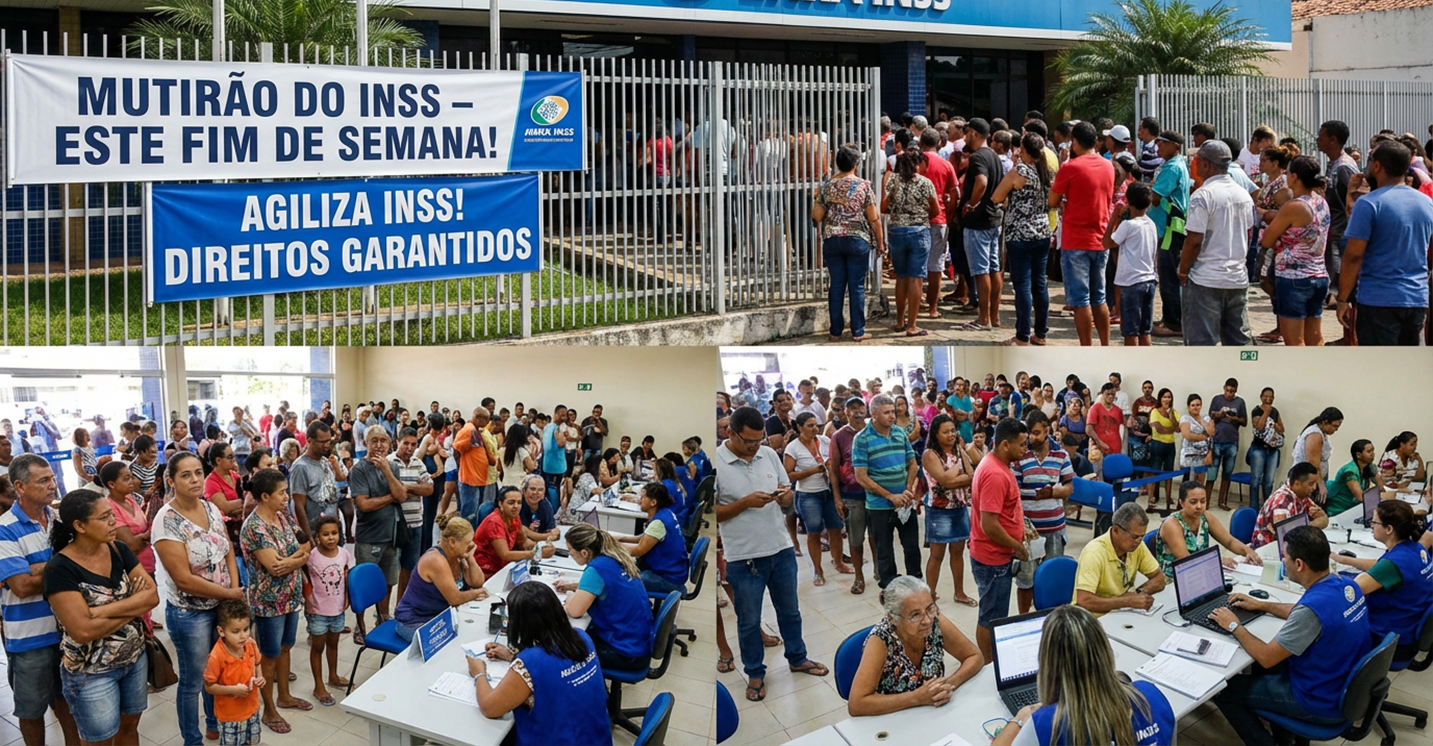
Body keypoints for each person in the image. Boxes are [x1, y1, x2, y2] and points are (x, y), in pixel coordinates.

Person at [1211, 526, 1371, 744]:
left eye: (1284, 557)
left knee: (1223, 689)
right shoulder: (1346, 585)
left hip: (1316, 699)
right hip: (1343, 686)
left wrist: (1233, 625)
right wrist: (1263, 605)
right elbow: (1304, 609)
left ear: (1299, 564)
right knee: (1259, 668)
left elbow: (1267, 657)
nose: (1282, 561)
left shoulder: (1311, 610)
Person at [716, 406, 828, 702]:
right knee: (749, 620)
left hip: (780, 549)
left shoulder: (767, 455)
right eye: (748, 441)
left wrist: (786, 496)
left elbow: (786, 490)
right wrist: (745, 503)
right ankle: (754, 672)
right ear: (730, 433)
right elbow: (711, 514)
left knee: (790, 612)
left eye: (759, 440)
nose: (755, 447)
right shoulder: (716, 462)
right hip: (744, 557)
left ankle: (797, 657)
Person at [42, 487, 157, 746]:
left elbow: (152, 597)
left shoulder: (118, 549)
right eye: (104, 517)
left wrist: (98, 612)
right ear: (79, 526)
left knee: (129, 728)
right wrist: (132, 607)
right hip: (90, 672)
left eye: (111, 515)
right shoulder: (60, 569)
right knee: (100, 741)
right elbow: (82, 631)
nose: (113, 521)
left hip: (134, 658)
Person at [154, 452, 246, 746]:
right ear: (171, 480)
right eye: (185, 475)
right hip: (189, 614)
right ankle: (191, 740)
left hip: (220, 606)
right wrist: (229, 593)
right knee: (193, 681)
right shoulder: (166, 521)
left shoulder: (209, 507)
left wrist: (233, 592)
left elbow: (228, 550)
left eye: (198, 473)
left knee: (216, 672)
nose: (195, 480)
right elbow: (184, 580)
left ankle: (214, 723)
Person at [991, 604, 1175, 746]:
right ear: (1104, 650)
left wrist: (1019, 720)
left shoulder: (1046, 723)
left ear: (1047, 663)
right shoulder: (1150, 695)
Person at [0, 454, 83, 745]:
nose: (53, 484)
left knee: (69, 704)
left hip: (69, 630)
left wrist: (40, 568)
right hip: (29, 637)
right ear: (20, 486)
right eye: (44, 480)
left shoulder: (60, 520)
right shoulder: (4, 527)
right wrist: (62, 565)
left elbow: (84, 567)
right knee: (31, 709)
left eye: (52, 477)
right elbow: (21, 585)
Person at [467, 582, 613, 746]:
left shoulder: (530, 662)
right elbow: (555, 666)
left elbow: (489, 708)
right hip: (596, 738)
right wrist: (512, 656)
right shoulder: (581, 637)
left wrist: (479, 672)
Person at [238, 466, 312, 733]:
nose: (286, 497)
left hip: (290, 595)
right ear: (265, 496)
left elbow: (306, 546)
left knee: (286, 647)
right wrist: (299, 559)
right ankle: (268, 710)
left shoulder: (284, 517)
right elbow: (273, 567)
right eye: (282, 493)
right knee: (268, 656)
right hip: (269, 602)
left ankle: (285, 696)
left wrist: (295, 559)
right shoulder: (254, 527)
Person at [846, 575, 983, 716]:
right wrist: (917, 698)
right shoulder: (881, 640)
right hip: (894, 717)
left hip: (932, 713)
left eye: (930, 608)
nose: (927, 620)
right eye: (915, 615)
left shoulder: (935, 621)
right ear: (893, 618)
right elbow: (857, 705)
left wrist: (947, 685)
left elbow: (974, 656)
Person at [1339, 140, 1433, 345]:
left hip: (1378, 300)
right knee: (1405, 368)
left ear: (1378, 166)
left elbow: (1354, 255)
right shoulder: (1426, 202)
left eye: (1370, 159)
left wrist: (1342, 299)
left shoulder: (1369, 203)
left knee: (1378, 370)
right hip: (1416, 298)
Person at [1329, 500, 1433, 658]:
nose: (1371, 525)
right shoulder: (1415, 549)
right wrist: (1344, 560)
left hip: (1389, 640)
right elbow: (1380, 566)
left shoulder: (1395, 563)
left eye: (1374, 522)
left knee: (1331, 622)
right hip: (1407, 626)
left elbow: (1351, 592)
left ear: (1389, 529)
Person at [1178, 140, 1255, 346]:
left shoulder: (1203, 196)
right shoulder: (1243, 194)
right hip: (1236, 278)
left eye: (1196, 161)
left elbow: (1194, 240)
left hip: (1206, 279)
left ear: (1205, 165)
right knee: (1238, 344)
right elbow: (1248, 233)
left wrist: (1183, 270)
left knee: (1202, 345)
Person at [968, 417, 1032, 661]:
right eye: (1022, 444)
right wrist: (1016, 545)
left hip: (996, 554)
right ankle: (988, 664)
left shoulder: (998, 465)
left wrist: (1020, 528)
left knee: (995, 614)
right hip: (993, 559)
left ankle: (993, 658)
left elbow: (1002, 513)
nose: (1025, 449)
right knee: (991, 617)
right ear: (1005, 444)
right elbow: (989, 524)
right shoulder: (995, 473)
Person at [1049, 121, 1116, 346]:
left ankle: (1086, 346)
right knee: (1099, 297)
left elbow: (1052, 200)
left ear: (1075, 142)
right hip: (1101, 237)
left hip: (1076, 239)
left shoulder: (1070, 167)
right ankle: (1105, 345)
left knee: (1080, 300)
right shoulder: (1108, 165)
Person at [555, 523, 652, 673]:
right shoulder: (613, 558)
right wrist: (571, 586)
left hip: (625, 651)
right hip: (638, 639)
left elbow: (575, 611)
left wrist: (568, 597)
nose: (570, 555)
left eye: (570, 550)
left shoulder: (595, 569)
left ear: (584, 552)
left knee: (561, 651)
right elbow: (603, 585)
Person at [348, 426, 412, 645]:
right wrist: (390, 497)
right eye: (374, 441)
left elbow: (402, 495)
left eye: (383, 441)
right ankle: (360, 624)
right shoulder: (359, 470)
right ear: (365, 443)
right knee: (365, 584)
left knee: (388, 582)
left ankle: (383, 619)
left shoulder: (392, 465)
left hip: (391, 535)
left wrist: (386, 470)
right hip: (369, 537)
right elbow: (363, 504)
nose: (379, 445)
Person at [812, 144, 882, 342]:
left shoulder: (827, 185)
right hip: (857, 239)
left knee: (836, 285)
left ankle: (835, 331)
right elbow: (873, 218)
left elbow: (817, 216)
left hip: (832, 239)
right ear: (856, 164)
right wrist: (880, 242)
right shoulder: (863, 186)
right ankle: (858, 331)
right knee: (856, 287)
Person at [1260, 155, 1331, 346]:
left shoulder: (1294, 206)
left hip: (1294, 278)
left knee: (1294, 342)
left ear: (1295, 177)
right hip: (1319, 275)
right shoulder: (1321, 201)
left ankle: (1299, 375)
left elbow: (1267, 239)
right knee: (1314, 337)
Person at [854, 394, 921, 590]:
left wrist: (907, 490)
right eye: (887, 413)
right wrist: (890, 496)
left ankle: (916, 587)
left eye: (893, 411)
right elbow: (861, 476)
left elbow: (912, 463)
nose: (892, 416)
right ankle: (890, 590)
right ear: (873, 415)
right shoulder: (862, 439)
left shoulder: (899, 433)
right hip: (879, 506)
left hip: (905, 502)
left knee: (912, 548)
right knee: (884, 551)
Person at [1010, 409, 1073, 614]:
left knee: (1052, 579)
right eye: (1030, 432)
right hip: (1028, 531)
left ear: (1047, 430)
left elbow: (1069, 488)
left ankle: (1050, 620)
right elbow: (1014, 491)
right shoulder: (1020, 455)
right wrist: (1038, 493)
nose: (1032, 437)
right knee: (1026, 579)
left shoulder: (1060, 455)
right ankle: (1023, 619)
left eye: (1037, 432)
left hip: (1054, 528)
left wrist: (1053, 492)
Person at [394, 514, 488, 642]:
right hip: (414, 621)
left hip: (437, 617)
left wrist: (471, 559)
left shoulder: (458, 555)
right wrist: (476, 593)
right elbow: (454, 599)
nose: (471, 545)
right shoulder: (435, 560)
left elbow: (477, 582)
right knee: (454, 644)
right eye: (467, 542)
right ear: (452, 542)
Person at [782, 412, 848, 586]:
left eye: (816, 425)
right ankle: (817, 570)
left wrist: (831, 466)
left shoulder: (825, 441)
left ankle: (839, 562)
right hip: (808, 495)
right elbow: (788, 475)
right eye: (810, 425)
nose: (814, 429)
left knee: (836, 528)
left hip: (829, 491)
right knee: (814, 532)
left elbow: (837, 461)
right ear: (799, 427)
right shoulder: (793, 448)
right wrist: (813, 471)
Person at [922, 414, 977, 606]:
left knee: (957, 552)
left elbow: (971, 475)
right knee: (936, 555)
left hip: (959, 508)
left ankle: (959, 593)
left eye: (953, 430)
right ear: (936, 434)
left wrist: (953, 478)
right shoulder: (930, 454)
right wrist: (955, 474)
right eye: (945, 432)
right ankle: (930, 595)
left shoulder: (959, 450)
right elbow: (943, 481)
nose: (951, 435)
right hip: (939, 510)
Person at [1073, 503, 1167, 615]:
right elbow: (1084, 601)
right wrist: (1125, 601)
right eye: (1134, 536)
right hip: (1092, 620)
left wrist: (1137, 594)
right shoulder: (1094, 553)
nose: (1138, 541)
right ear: (1116, 530)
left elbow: (1159, 578)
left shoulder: (1137, 546)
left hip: (1120, 613)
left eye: (1142, 536)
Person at [882, 148, 938, 336]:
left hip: (896, 231)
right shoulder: (925, 183)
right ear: (918, 164)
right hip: (919, 231)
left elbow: (884, 206)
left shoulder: (892, 180)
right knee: (916, 278)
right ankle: (912, 325)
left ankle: (899, 321)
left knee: (901, 277)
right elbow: (936, 210)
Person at [1155, 481, 1262, 576]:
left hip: (1202, 571)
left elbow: (1229, 541)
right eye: (1193, 502)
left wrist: (1248, 551)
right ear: (1181, 503)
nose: (1199, 506)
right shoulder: (1172, 524)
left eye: (1203, 501)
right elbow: (1186, 560)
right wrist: (1217, 561)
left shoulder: (1205, 517)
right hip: (1175, 579)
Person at [98, 461, 156, 631]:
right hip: (132, 568)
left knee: (148, 605)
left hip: (147, 562)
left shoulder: (131, 500)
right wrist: (147, 534)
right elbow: (130, 544)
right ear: (111, 484)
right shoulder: (111, 507)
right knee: (137, 610)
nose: (133, 481)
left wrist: (144, 534)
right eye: (126, 478)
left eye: (131, 477)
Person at [960, 118, 1006, 332]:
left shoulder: (978, 156)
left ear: (975, 133)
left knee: (980, 271)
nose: (964, 137)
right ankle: (994, 317)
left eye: (967, 132)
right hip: (994, 218)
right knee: (994, 268)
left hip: (978, 221)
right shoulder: (995, 157)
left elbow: (982, 181)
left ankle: (983, 319)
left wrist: (971, 203)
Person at [302, 515, 352, 707]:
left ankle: (333, 676)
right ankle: (318, 686)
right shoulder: (312, 556)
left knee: (333, 645)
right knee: (318, 647)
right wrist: (308, 603)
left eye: (334, 533)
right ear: (317, 536)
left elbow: (347, 577)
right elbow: (304, 577)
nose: (330, 538)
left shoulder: (344, 554)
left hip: (338, 609)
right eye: (325, 534)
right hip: (318, 611)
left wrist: (347, 599)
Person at [1148, 131, 1192, 336]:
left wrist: (1147, 191)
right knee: (1168, 273)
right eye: (1158, 144)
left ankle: (1174, 323)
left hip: (1168, 228)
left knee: (1168, 276)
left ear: (1175, 145)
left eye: (1163, 144)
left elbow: (1156, 197)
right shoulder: (1178, 164)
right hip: (1172, 226)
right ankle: (1170, 317)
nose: (1158, 148)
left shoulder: (1172, 167)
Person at [203, 599, 264, 746]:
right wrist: (232, 690)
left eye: (246, 629)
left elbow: (257, 662)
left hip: (252, 707)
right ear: (221, 631)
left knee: (250, 740)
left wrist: (260, 676)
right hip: (230, 715)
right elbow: (209, 686)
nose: (243, 636)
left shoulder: (250, 644)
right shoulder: (217, 656)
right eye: (236, 631)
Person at [1104, 181, 1159, 345]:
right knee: (1144, 331)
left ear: (1128, 201)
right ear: (1149, 203)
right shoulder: (1151, 224)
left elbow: (1107, 242)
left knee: (1130, 332)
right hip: (1149, 280)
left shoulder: (1128, 225)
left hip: (1132, 283)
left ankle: (1131, 365)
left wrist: (1115, 216)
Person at [829, 396, 873, 596]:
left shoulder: (874, 431)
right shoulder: (839, 436)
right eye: (852, 408)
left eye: (860, 407)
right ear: (845, 412)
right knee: (855, 540)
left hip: (876, 495)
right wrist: (837, 498)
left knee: (877, 537)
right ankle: (859, 577)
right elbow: (834, 469)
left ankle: (881, 574)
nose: (857, 412)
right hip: (852, 496)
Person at [616, 481, 689, 594]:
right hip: (674, 571)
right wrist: (621, 538)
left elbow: (638, 550)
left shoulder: (659, 522)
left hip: (668, 578)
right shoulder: (666, 513)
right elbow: (645, 537)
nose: (640, 499)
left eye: (643, 497)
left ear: (653, 502)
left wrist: (612, 547)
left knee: (622, 581)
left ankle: (640, 608)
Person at [473, 486, 553, 577]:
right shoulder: (494, 522)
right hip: (486, 571)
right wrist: (535, 554)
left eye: (519, 503)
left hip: (504, 567)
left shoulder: (514, 517)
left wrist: (540, 547)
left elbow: (523, 542)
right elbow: (505, 555)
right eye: (511, 503)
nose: (516, 506)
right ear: (501, 504)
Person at [288, 421, 346, 545]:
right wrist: (309, 539)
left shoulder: (325, 461)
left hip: (332, 531)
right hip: (316, 534)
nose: (327, 445)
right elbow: (298, 506)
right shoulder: (300, 467)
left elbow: (332, 496)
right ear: (310, 441)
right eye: (322, 442)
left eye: (329, 441)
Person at [1250, 462, 1331, 549]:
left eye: (1315, 483)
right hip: (1268, 549)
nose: (1314, 487)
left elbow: (1324, 519)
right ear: (1297, 484)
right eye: (1311, 484)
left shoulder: (1302, 495)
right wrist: (1309, 526)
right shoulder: (1281, 502)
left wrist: (1305, 527)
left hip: (1288, 547)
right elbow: (1286, 537)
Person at [1208, 378, 1248, 511]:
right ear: (1224, 388)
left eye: (1232, 391)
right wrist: (1219, 415)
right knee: (1212, 473)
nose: (1229, 393)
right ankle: (1206, 501)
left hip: (1232, 442)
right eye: (1227, 390)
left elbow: (1244, 421)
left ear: (1236, 390)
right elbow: (1210, 416)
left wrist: (1234, 419)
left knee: (1227, 473)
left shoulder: (1240, 402)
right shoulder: (1217, 399)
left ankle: (1222, 501)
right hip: (1217, 440)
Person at [1292, 407, 1343, 505]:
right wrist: (1321, 485)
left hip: (1312, 480)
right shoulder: (1315, 435)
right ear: (1325, 422)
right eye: (1334, 426)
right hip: (1307, 480)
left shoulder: (1320, 432)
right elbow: (1313, 464)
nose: (1336, 430)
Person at [1247, 387, 1286, 511]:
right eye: (1266, 396)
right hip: (1258, 449)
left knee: (1269, 482)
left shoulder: (1276, 411)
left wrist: (1276, 425)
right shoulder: (1256, 411)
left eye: (1271, 396)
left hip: (1273, 450)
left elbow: (1281, 429)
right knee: (1255, 480)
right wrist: (1266, 413)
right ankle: (1253, 509)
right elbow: (1258, 427)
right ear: (1261, 396)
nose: (1268, 398)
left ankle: (1267, 509)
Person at [1326, 439, 1386, 516]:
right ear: (1358, 455)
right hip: (1339, 510)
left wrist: (1383, 493)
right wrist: (1382, 496)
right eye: (1369, 451)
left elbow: (1381, 487)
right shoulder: (1349, 471)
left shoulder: (1369, 466)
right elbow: (1360, 497)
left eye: (1373, 451)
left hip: (1354, 508)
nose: (1373, 454)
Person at [1179, 394, 1214, 487]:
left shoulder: (1206, 417)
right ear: (1188, 407)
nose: (1195, 407)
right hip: (1189, 455)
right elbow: (1188, 435)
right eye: (1193, 405)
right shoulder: (1185, 418)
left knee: (1200, 484)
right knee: (1188, 485)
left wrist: (1200, 420)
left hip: (1203, 455)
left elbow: (1211, 432)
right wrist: (1203, 437)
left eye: (1198, 405)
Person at [1086, 384, 1124, 459]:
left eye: (1112, 394)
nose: (1110, 396)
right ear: (1102, 394)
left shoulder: (1118, 410)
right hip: (1099, 449)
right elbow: (1089, 429)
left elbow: (1122, 426)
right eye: (1108, 394)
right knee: (1098, 470)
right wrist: (1099, 443)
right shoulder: (1095, 408)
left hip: (1115, 448)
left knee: (1114, 469)